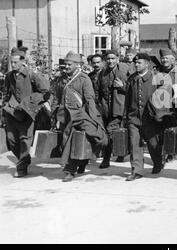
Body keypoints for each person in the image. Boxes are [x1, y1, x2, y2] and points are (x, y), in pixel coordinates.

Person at [51, 51, 108, 182]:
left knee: (72, 141)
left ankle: (69, 170)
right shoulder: (62, 79)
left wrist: (92, 117)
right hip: (64, 115)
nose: (66, 67)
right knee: (67, 141)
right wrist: (54, 114)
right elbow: (57, 97)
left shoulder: (84, 79)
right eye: (65, 64)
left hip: (79, 115)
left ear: (77, 65)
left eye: (69, 64)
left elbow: (90, 99)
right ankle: (81, 163)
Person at [2, 48, 50, 177]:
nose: (13, 65)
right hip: (11, 112)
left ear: (23, 62)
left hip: (27, 113)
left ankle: (22, 167)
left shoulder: (31, 74)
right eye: (12, 62)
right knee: (11, 140)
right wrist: (5, 107)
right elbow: (6, 93)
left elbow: (46, 91)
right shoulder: (9, 76)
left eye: (16, 62)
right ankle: (24, 159)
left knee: (25, 140)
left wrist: (29, 103)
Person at [124, 53, 165, 181]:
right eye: (135, 62)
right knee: (134, 144)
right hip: (134, 117)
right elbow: (128, 98)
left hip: (150, 118)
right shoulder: (131, 79)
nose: (136, 64)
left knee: (153, 144)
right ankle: (136, 170)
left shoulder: (156, 78)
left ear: (147, 64)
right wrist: (126, 116)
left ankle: (158, 162)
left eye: (139, 62)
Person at [97, 50, 130, 168]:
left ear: (117, 59)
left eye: (113, 58)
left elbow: (133, 89)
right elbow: (99, 90)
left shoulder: (124, 71)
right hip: (105, 109)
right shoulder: (102, 73)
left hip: (119, 108)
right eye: (108, 59)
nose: (110, 61)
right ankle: (120, 153)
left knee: (111, 131)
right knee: (109, 132)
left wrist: (123, 87)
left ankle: (106, 159)